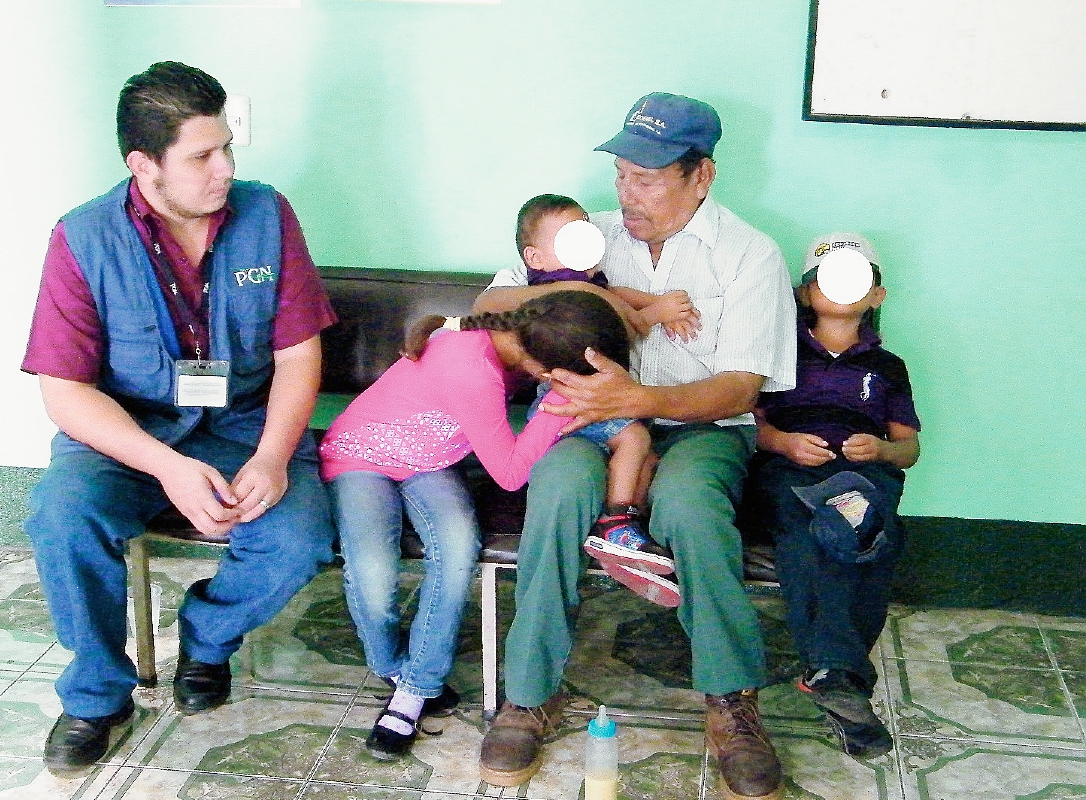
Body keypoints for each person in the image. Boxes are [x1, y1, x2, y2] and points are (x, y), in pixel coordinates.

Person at [473, 92, 797, 799]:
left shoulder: (750, 255)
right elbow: (489, 309)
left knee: (689, 505)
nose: (627, 194)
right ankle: (528, 694)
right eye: (622, 174)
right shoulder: (586, 236)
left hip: (701, 428)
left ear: (701, 176)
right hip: (583, 420)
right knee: (557, 489)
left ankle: (731, 699)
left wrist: (639, 400)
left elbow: (741, 389)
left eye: (647, 178)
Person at [20, 62, 337, 777]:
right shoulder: (81, 237)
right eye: (201, 155)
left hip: (242, 426)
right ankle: (98, 694)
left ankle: (208, 637)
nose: (225, 167)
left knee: (300, 538)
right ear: (144, 165)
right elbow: (64, 389)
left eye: (227, 147)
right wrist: (164, 464)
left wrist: (272, 457)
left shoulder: (268, 214)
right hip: (128, 433)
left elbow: (297, 355)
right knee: (62, 516)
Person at [319, 291, 631, 760]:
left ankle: (415, 687)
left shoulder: (509, 335)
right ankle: (394, 669)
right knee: (372, 567)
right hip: (360, 456)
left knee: (459, 544)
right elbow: (509, 474)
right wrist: (558, 403)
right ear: (548, 372)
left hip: (431, 461)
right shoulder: (471, 364)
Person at [746, 233, 920, 759]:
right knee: (806, 528)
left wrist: (882, 451)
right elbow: (747, 421)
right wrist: (782, 442)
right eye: (826, 275)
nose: (840, 287)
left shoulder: (887, 366)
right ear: (804, 292)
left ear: (876, 295)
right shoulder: (778, 352)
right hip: (791, 470)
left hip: (863, 475)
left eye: (855, 276)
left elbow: (909, 448)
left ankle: (831, 670)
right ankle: (840, 675)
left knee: (867, 530)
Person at [515, 194, 678, 602]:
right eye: (570, 236)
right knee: (636, 439)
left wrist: (654, 300)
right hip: (567, 400)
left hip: (587, 400)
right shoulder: (554, 293)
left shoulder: (587, 282)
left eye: (586, 229)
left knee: (650, 458)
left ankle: (625, 535)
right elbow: (623, 319)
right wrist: (656, 312)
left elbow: (617, 295)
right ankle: (617, 524)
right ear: (534, 257)